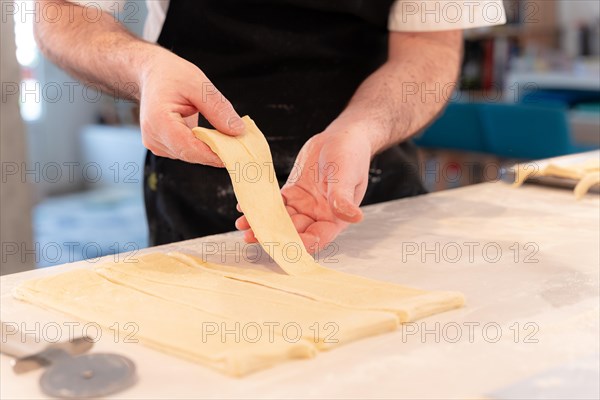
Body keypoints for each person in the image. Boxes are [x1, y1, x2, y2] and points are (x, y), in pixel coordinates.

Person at [35, 0, 506, 252]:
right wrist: (145, 68)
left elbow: (431, 48)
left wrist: (362, 129)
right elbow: (63, 13)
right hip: (197, 198)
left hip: (364, 188)